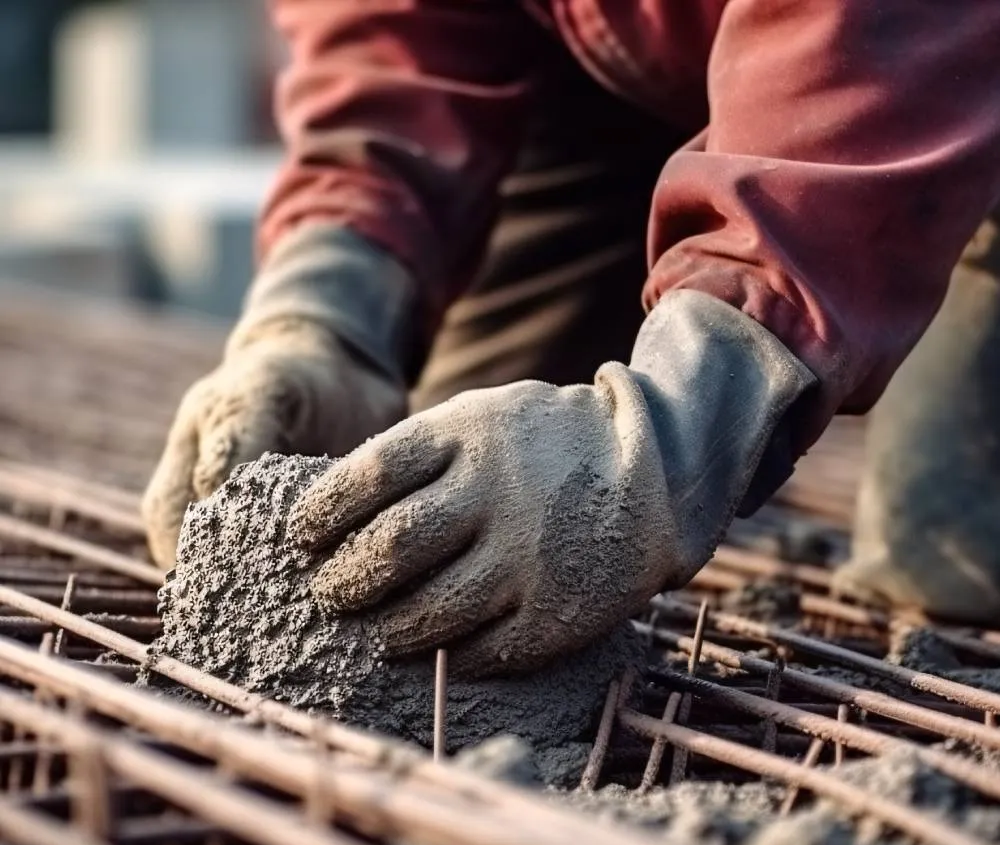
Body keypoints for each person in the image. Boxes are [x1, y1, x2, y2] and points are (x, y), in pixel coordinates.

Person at [142, 2, 1000, 674]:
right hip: (623, 62)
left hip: (929, 65)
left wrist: (670, 421)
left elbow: (879, 42)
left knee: (958, 570)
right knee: (451, 536)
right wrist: (327, 310)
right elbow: (385, 35)